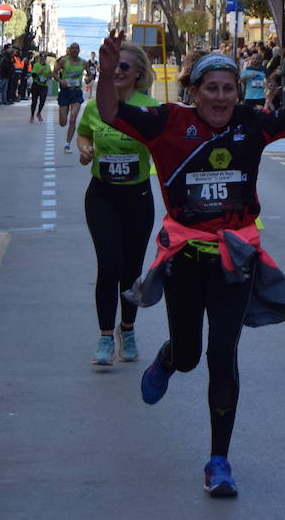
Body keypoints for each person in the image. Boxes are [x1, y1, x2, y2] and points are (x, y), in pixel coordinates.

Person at [96, 40, 285, 498]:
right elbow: (110, 114)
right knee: (189, 356)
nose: (222, 97)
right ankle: (168, 360)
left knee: (223, 355)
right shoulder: (168, 121)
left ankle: (219, 461)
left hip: (234, 259)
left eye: (229, 88)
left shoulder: (252, 122)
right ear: (194, 92)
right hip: (186, 259)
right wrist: (107, 76)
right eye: (212, 88)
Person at [76, 43, 159, 366]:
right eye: (113, 67)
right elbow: (83, 134)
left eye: (124, 67)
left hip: (137, 197)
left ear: (138, 73)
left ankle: (128, 329)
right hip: (102, 195)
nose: (117, 73)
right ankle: (105, 337)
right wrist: (85, 149)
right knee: (109, 264)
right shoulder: (96, 106)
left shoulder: (149, 108)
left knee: (132, 270)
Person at [55, 43, 87, 152]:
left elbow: (90, 75)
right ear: (69, 50)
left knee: (73, 119)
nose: (74, 50)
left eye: (76, 48)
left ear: (79, 50)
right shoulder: (64, 61)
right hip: (65, 92)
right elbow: (54, 73)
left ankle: (67, 144)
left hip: (76, 92)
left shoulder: (83, 62)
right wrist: (60, 81)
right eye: (72, 48)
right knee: (63, 123)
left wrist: (89, 79)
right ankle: (65, 111)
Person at [29, 52, 53, 122]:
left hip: (44, 86)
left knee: (42, 100)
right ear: (40, 58)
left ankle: (39, 113)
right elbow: (33, 75)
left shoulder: (48, 66)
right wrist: (40, 71)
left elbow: (50, 75)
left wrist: (49, 76)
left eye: (45, 57)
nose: (43, 59)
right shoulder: (36, 65)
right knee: (34, 101)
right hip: (36, 85)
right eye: (42, 57)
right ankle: (32, 115)